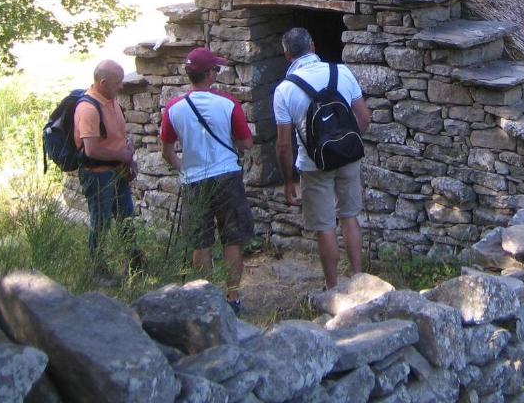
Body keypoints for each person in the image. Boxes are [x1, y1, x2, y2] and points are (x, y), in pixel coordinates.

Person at [272, 27, 371, 288]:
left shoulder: (284, 90)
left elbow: (283, 144)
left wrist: (288, 181)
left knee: (325, 225)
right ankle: (359, 278)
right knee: (350, 217)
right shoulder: (342, 71)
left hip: (313, 164)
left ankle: (333, 287)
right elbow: (364, 117)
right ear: (313, 46)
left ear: (287, 55)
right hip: (348, 159)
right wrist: (346, 144)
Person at [160, 47, 255, 315]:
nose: (218, 73)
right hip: (226, 175)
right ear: (210, 74)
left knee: (200, 240)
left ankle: (208, 297)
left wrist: (183, 168)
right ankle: (233, 297)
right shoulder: (228, 103)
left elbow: (167, 152)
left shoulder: (173, 109)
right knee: (232, 238)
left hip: (194, 180)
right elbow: (247, 143)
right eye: (217, 69)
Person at [74, 59, 142, 287]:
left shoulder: (111, 101)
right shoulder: (88, 108)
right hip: (98, 175)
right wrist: (120, 156)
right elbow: (91, 149)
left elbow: (117, 137)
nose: (121, 86)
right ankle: (97, 270)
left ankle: (136, 264)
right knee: (101, 223)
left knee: (126, 218)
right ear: (102, 82)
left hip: (118, 171)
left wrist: (127, 157)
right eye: (117, 82)